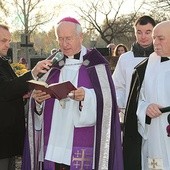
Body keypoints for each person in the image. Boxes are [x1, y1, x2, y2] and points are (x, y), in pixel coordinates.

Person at [22, 17, 123, 170]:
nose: (64, 44)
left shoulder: (97, 64)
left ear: (81, 36)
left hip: (83, 136)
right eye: (60, 39)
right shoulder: (51, 64)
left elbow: (108, 102)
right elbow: (37, 104)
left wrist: (87, 97)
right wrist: (37, 102)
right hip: (55, 138)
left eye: (68, 38)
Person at [0, 24, 53, 169]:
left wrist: (26, 94)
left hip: (8, 137)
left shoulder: (3, 62)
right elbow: (6, 90)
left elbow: (10, 91)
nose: (7, 45)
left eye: (9, 41)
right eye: (3, 41)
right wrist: (33, 73)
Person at [123, 20, 170, 170]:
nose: (155, 42)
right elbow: (138, 99)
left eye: (160, 38)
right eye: (154, 37)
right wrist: (146, 108)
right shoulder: (146, 66)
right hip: (154, 133)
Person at [112, 15, 156, 110]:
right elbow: (118, 86)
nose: (143, 36)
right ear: (135, 33)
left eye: (148, 32)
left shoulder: (163, 57)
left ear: (154, 32)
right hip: (130, 113)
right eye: (139, 32)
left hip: (157, 113)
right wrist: (118, 103)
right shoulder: (125, 58)